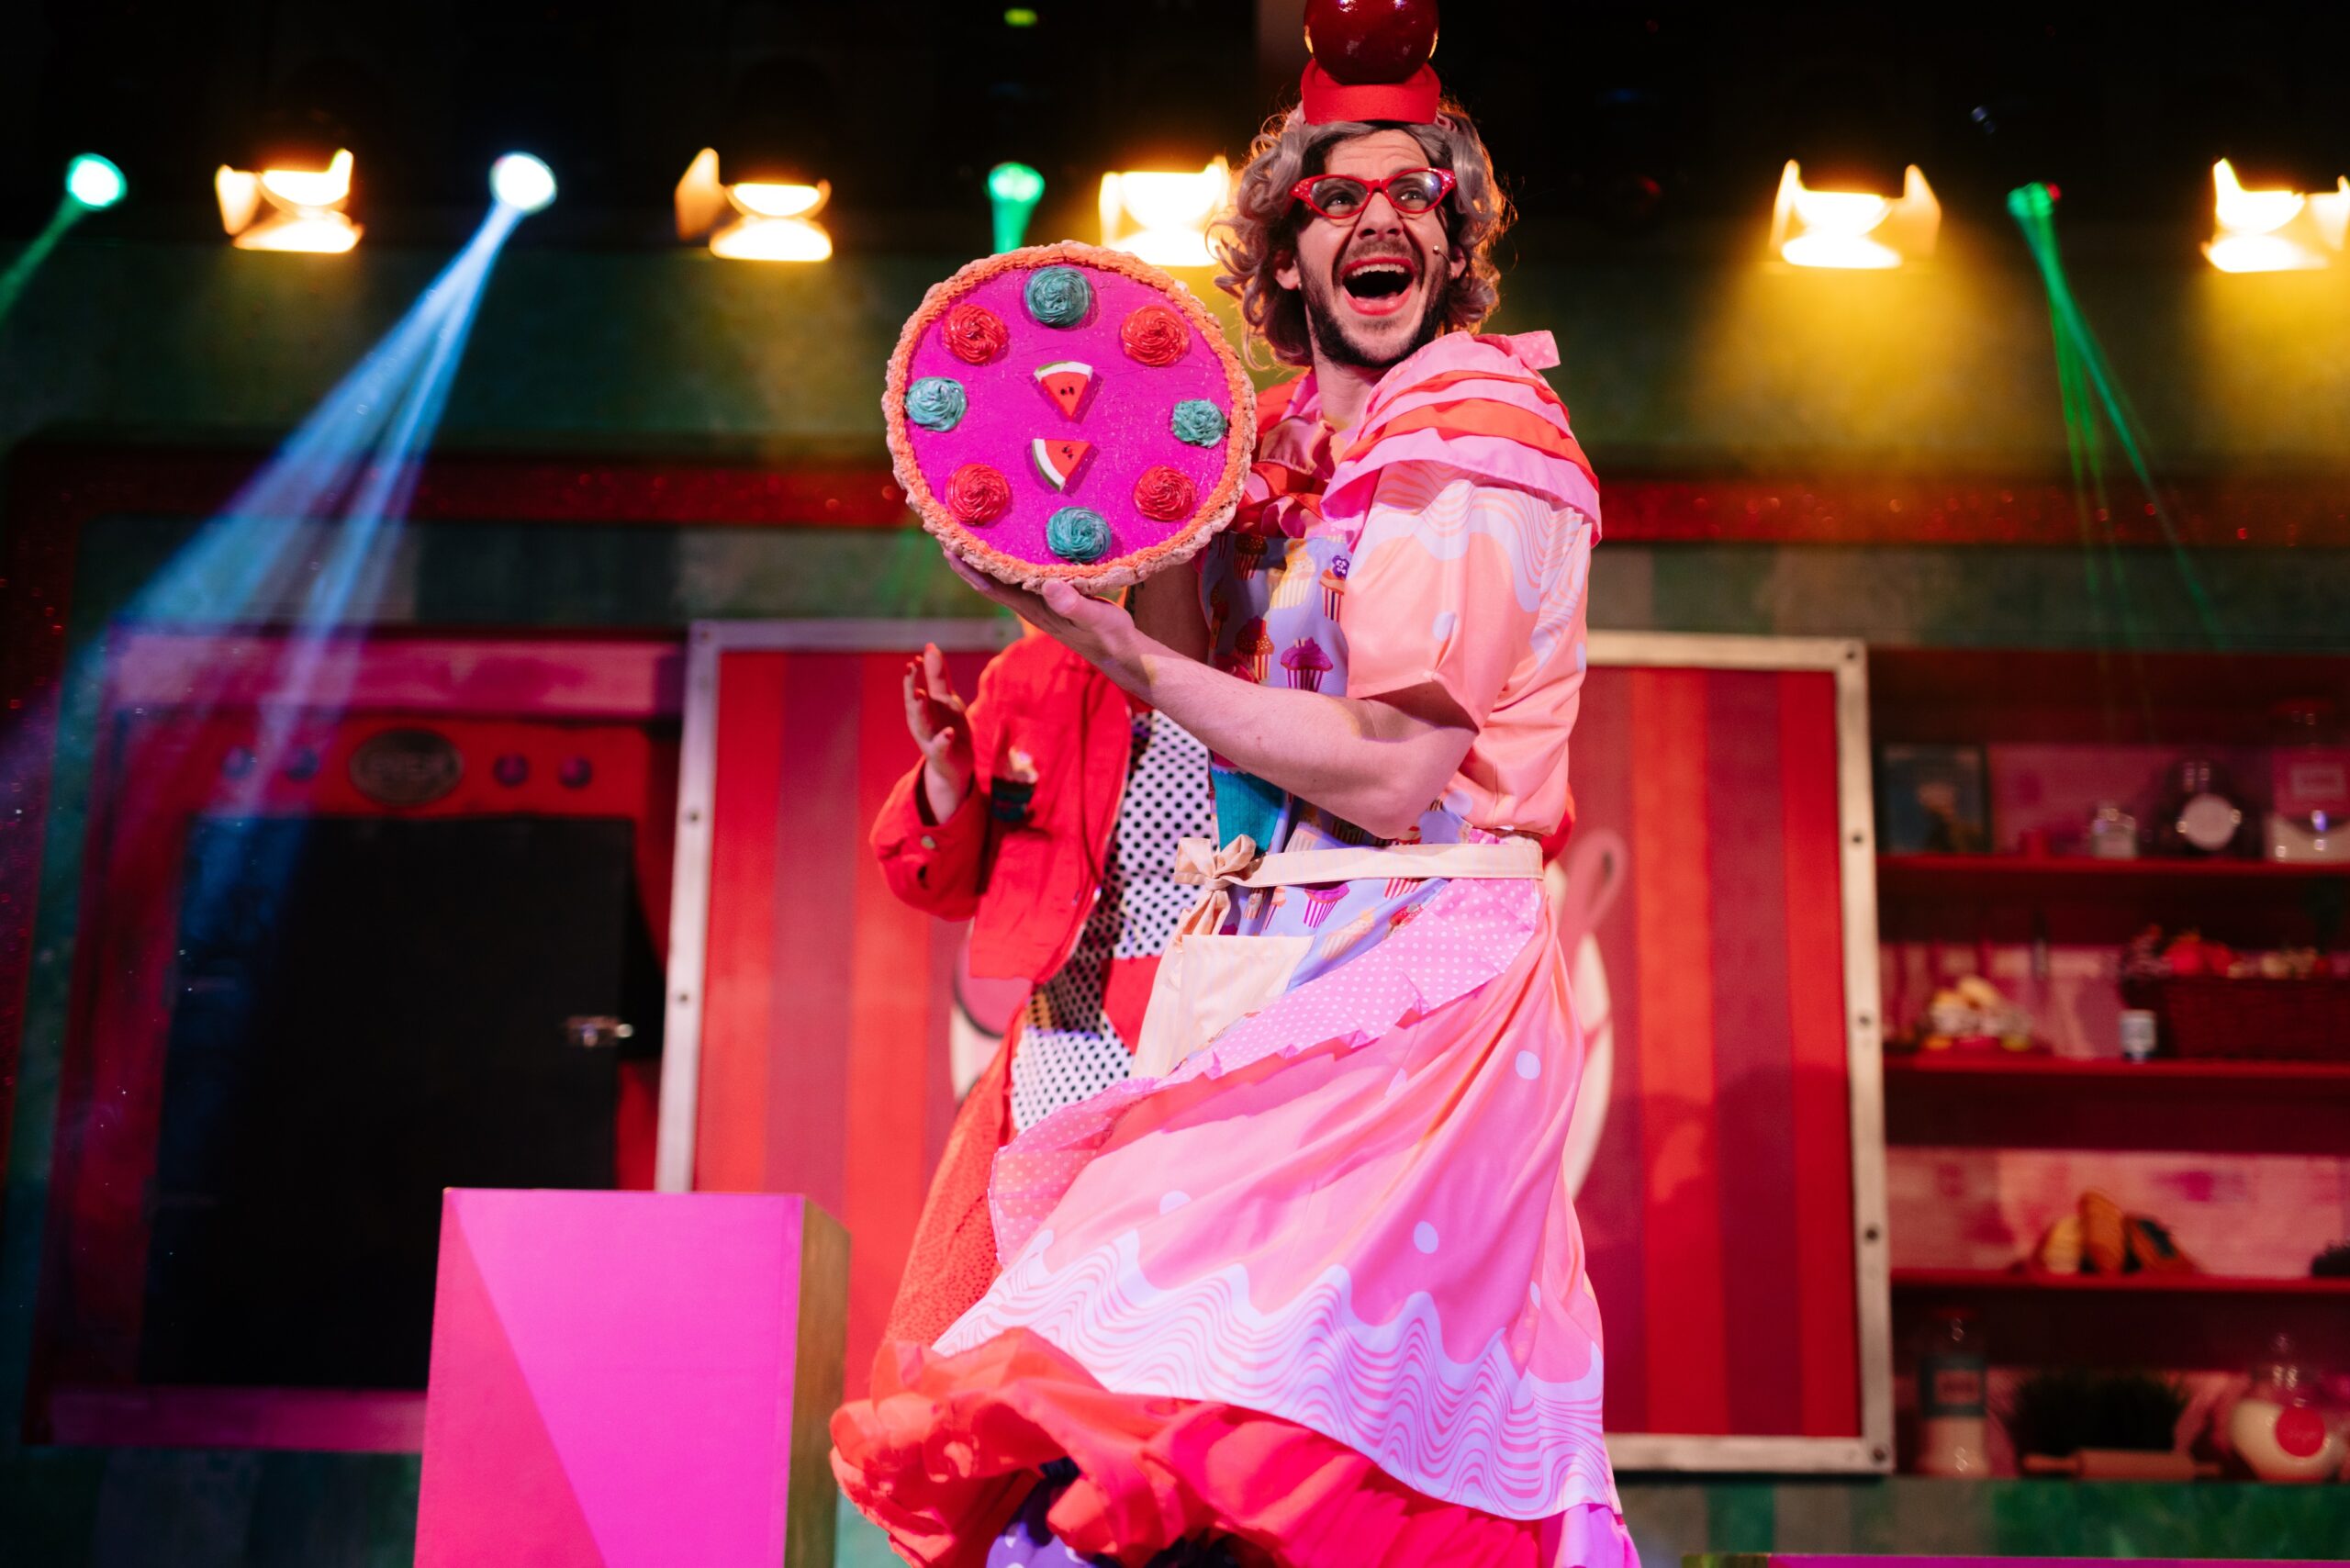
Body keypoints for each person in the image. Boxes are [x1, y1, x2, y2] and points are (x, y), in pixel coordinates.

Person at [834, 32, 1633, 1568]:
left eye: (1416, 194)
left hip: (1408, 982)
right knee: (1133, 1421)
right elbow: (1181, 669)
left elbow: (1397, 772)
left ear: (1458, 243)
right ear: (1284, 247)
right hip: (1256, 966)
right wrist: (1068, 565)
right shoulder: (1273, 446)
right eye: (1336, 199)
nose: (1378, 217)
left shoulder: (1473, 431)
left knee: (1254, 1433)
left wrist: (1126, 648)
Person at [873, 633, 1215, 1347]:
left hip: (1217, 1008)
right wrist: (948, 776)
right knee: (1037, 1303)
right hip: (1069, 1030)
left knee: (1188, 1284)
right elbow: (942, 879)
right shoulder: (1032, 676)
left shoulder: (1246, 649)